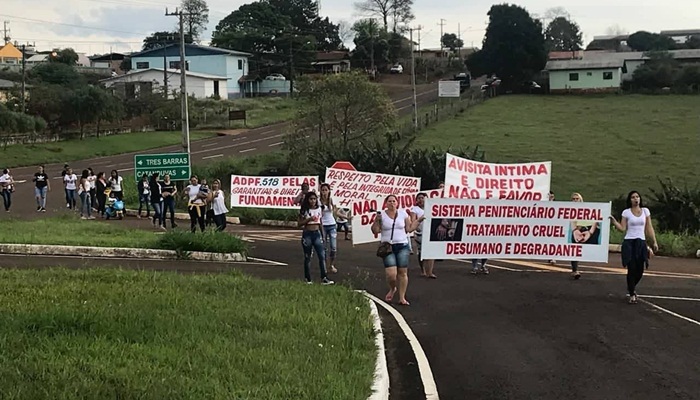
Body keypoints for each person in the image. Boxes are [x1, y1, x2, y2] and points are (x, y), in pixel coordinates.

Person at [371, 194, 423, 306]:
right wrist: (377, 221)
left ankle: (402, 297)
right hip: (388, 247)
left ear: (397, 203)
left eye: (394, 201)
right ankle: (392, 288)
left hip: (402, 246)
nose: (392, 203)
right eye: (389, 201)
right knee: (391, 274)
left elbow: (409, 229)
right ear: (386, 203)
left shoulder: (403, 214)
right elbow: (375, 230)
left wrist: (419, 220)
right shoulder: (381, 215)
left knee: (402, 272)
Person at [610, 191, 658, 304]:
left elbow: (649, 228)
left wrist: (654, 242)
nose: (635, 199)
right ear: (630, 200)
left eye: (637, 197)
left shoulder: (645, 211)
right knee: (631, 268)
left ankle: (631, 287)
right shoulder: (626, 212)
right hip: (629, 242)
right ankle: (632, 294)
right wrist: (614, 222)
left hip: (641, 242)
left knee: (640, 270)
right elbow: (622, 228)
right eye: (633, 197)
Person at [298, 191, 334, 285]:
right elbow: (299, 224)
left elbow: (320, 222)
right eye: (311, 199)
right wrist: (308, 219)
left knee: (322, 256)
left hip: (317, 233)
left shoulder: (319, 209)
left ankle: (324, 277)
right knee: (308, 257)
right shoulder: (304, 210)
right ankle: (308, 278)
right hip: (307, 234)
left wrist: (323, 235)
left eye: (314, 199)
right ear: (307, 200)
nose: (313, 201)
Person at [569, 192, 600, 279]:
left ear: (581, 199)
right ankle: (574, 270)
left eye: (577, 198)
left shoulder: (588, 208)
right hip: (577, 230)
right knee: (574, 250)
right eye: (573, 199)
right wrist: (575, 230)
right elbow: (572, 221)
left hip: (589, 230)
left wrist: (590, 232)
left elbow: (595, 220)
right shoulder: (569, 209)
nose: (575, 200)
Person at [411, 192, 436, 278]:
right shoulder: (415, 209)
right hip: (420, 234)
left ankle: (430, 272)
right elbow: (413, 220)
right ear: (416, 200)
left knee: (432, 252)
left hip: (430, 232)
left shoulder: (432, 208)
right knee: (422, 252)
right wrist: (417, 224)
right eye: (419, 198)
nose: (421, 200)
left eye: (423, 198)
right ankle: (423, 270)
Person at [319, 183, 339, 274]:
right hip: (323, 225)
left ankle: (331, 265)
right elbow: (318, 214)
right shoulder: (318, 201)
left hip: (332, 225)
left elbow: (335, 212)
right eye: (322, 190)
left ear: (329, 191)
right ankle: (324, 265)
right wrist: (322, 208)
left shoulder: (331, 200)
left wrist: (347, 218)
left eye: (326, 190)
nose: (324, 192)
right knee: (323, 248)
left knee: (333, 247)